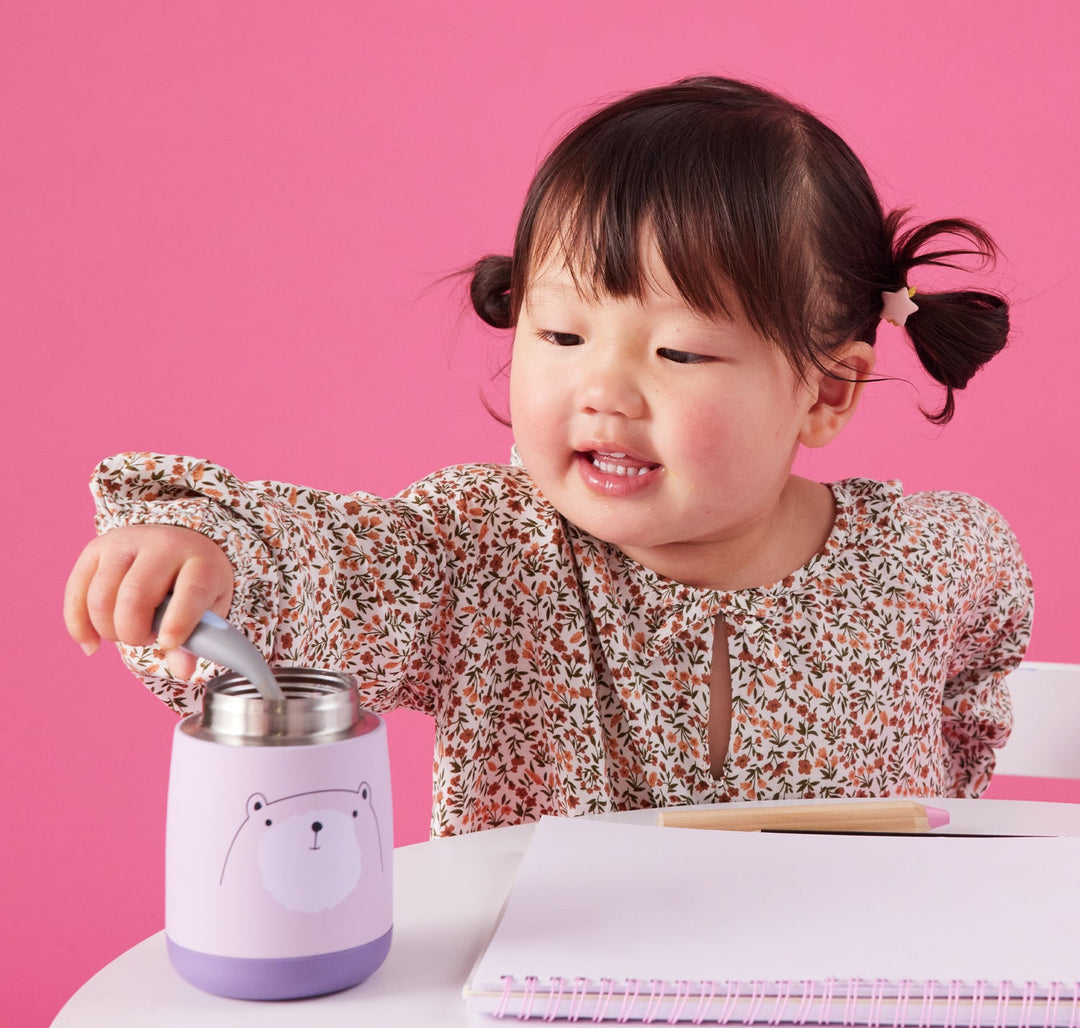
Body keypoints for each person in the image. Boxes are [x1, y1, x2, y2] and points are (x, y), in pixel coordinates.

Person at [63, 76, 1032, 836]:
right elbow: (324, 568)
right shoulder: (481, 554)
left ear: (824, 391)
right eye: (561, 337)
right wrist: (206, 547)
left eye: (680, 352)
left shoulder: (929, 560)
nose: (602, 390)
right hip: (549, 1013)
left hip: (850, 1007)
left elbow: (970, 712)